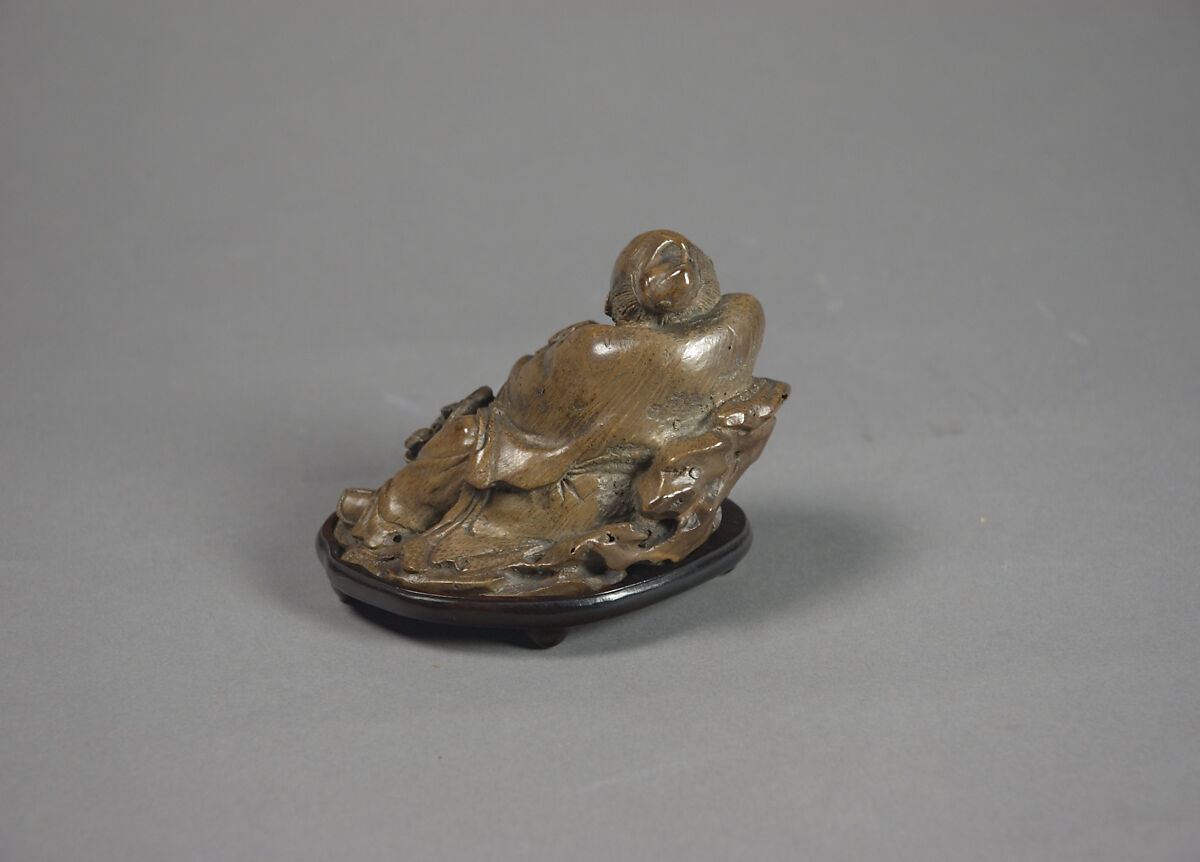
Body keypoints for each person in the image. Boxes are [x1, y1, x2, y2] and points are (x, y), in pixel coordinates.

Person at [335, 230, 787, 596]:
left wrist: (557, 350)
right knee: (484, 432)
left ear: (624, 294)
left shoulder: (595, 347)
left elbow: (522, 399)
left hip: (575, 492)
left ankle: (389, 519)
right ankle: (394, 510)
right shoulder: (741, 324)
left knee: (472, 433)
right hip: (627, 470)